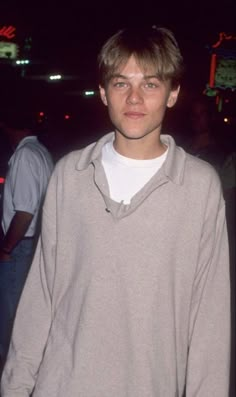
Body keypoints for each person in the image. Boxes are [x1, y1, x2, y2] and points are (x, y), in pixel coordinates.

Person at [1, 26, 230, 396]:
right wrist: (15, 387)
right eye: (122, 83)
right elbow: (41, 298)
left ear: (173, 94)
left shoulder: (199, 188)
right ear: (104, 92)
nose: (135, 98)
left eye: (151, 84)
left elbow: (209, 321)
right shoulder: (70, 176)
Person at [0, 108, 54, 372]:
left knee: (10, 319)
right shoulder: (40, 151)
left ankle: (10, 375)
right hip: (34, 244)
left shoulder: (24, 155)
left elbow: (24, 212)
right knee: (25, 314)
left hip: (21, 246)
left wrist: (6, 248)